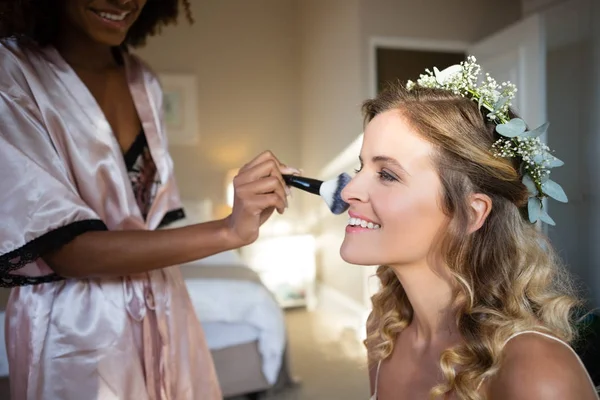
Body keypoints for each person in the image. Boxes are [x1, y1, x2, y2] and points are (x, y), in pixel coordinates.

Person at [0, 0, 296, 399]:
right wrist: (228, 230)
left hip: (167, 303)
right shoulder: (13, 74)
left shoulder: (144, 81)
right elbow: (66, 250)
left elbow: (152, 219)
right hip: (75, 331)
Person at [340, 57, 599, 399]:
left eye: (387, 174)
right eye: (361, 168)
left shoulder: (535, 374)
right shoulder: (385, 327)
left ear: (469, 213)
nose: (347, 191)